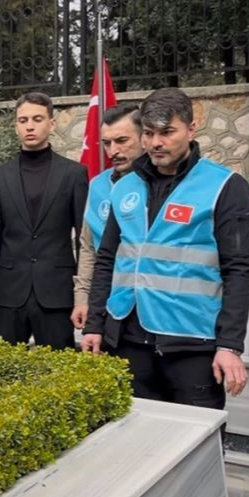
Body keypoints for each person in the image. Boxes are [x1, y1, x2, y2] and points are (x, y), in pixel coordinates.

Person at [82, 87, 249, 407]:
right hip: (127, 340)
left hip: (192, 345)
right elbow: (107, 259)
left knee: (196, 434)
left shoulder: (224, 186)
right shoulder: (124, 187)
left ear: (191, 129)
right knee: (132, 433)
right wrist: (95, 326)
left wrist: (229, 345)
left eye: (167, 132)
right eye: (148, 133)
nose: (156, 142)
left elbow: (238, 270)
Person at [0, 92, 87, 349]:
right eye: (23, 120)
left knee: (59, 367)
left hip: (56, 293)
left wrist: (83, 296)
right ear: (16, 125)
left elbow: (84, 241)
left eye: (37, 119)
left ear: (52, 123)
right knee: (4, 367)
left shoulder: (74, 174)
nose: (29, 126)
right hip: (8, 293)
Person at [71, 104, 143, 330]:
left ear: (145, 137)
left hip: (148, 301)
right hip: (106, 300)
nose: (113, 151)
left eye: (122, 141)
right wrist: (82, 297)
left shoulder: (157, 186)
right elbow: (88, 246)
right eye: (106, 143)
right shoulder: (98, 185)